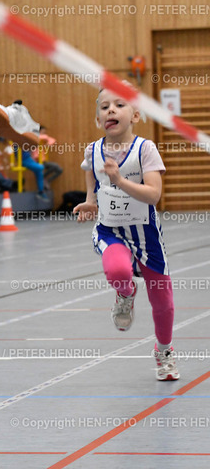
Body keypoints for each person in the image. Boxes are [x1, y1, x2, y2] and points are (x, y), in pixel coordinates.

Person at [73, 85, 178, 381]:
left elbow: (153, 195)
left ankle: (164, 350)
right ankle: (125, 294)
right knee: (118, 269)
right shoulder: (92, 151)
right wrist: (90, 204)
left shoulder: (145, 149)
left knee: (163, 303)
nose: (110, 110)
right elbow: (92, 187)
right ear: (97, 121)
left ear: (135, 115)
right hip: (110, 230)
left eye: (119, 105)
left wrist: (120, 179)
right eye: (104, 107)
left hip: (146, 234)